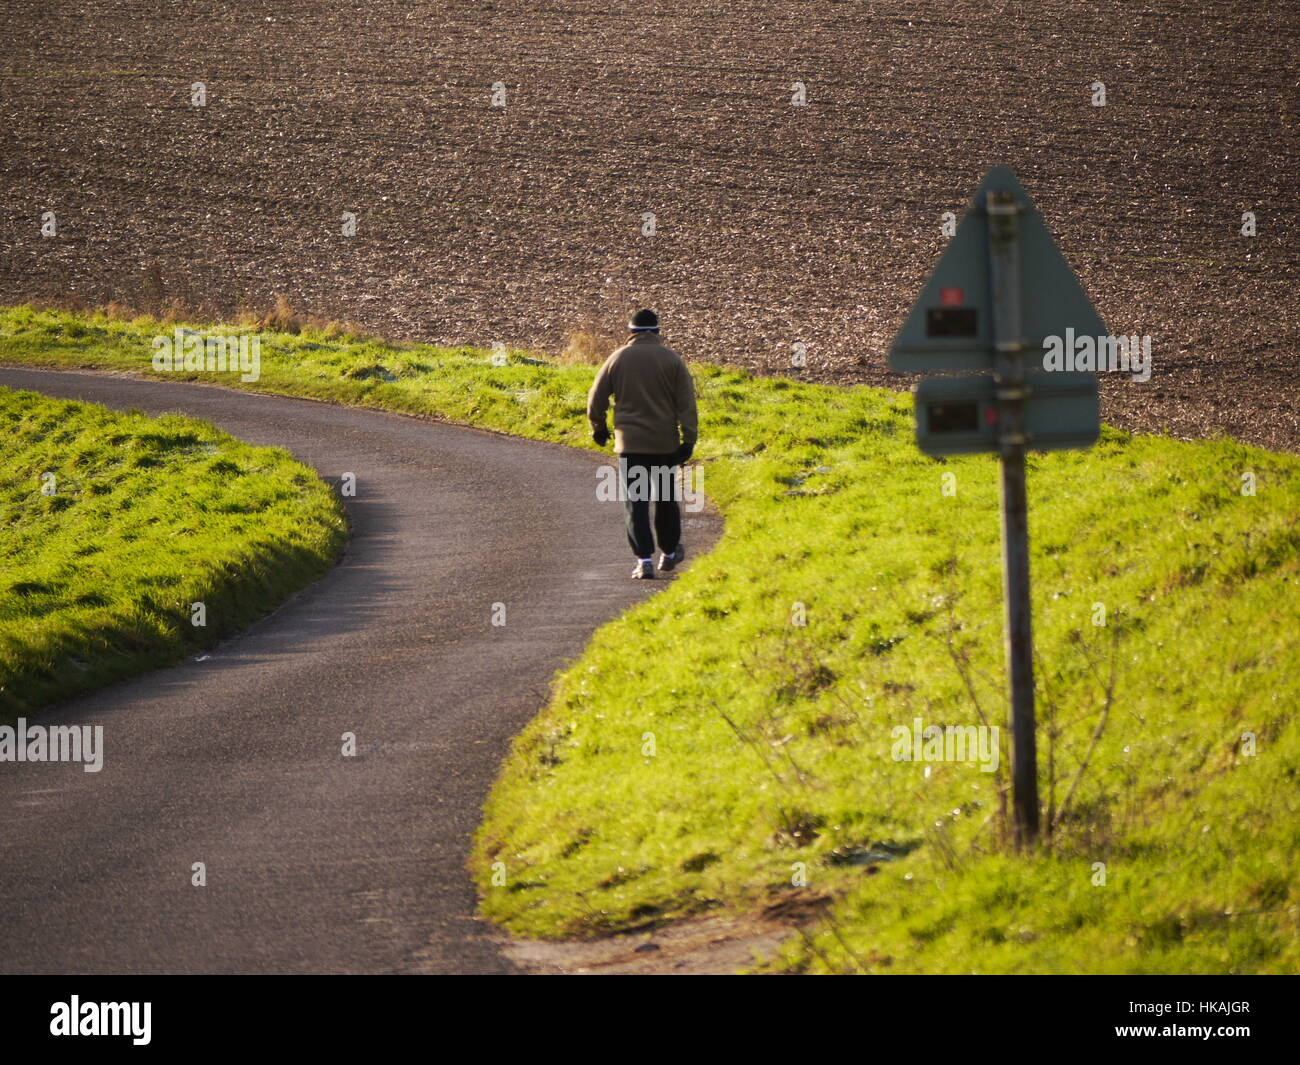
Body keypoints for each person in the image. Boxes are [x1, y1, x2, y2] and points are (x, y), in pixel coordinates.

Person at [587, 308, 698, 579]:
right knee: (665, 499)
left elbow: (595, 400)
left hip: (630, 446)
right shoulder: (672, 360)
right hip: (664, 446)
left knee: (635, 503)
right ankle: (669, 553)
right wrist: (688, 440)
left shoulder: (618, 358)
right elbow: (687, 405)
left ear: (631, 332)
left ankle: (643, 560)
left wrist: (598, 429)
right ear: (658, 332)